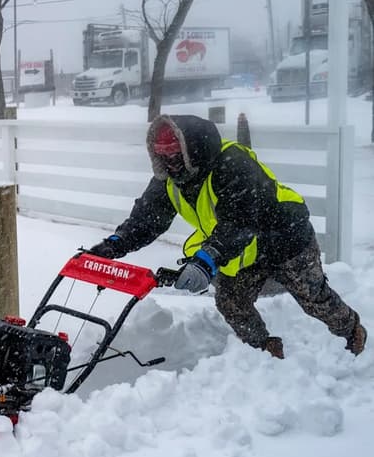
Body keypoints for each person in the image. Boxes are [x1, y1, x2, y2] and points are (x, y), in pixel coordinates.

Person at [86, 114, 366, 359]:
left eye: (174, 153)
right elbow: (147, 219)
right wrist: (115, 245)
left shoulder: (231, 164)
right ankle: (265, 352)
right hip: (244, 250)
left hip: (285, 238)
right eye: (162, 155)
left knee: (312, 297)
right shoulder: (169, 180)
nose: (169, 162)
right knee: (231, 302)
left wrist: (207, 259)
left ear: (190, 148)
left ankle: (352, 331)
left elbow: (239, 221)